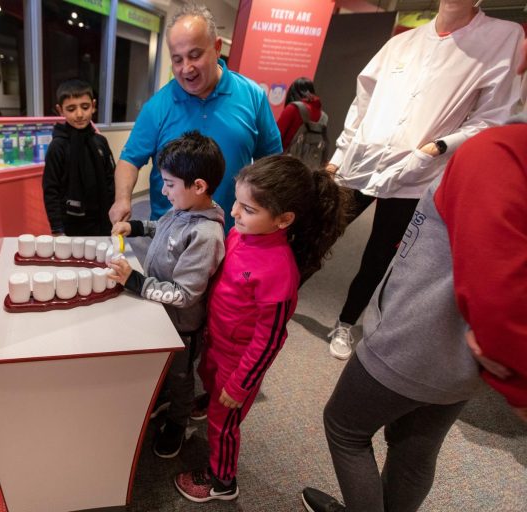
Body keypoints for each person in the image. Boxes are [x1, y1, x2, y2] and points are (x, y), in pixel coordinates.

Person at [301, 38, 527, 512]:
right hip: (458, 366)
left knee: (344, 427)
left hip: (414, 342)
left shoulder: (499, 152)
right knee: (415, 450)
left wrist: (519, 387)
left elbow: (496, 294)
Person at [323, 0, 523, 360]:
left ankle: (345, 322)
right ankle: (275, 303)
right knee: (318, 230)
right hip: (363, 161)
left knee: (381, 254)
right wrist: (339, 157)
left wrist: (436, 148)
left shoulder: (502, 37)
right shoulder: (404, 42)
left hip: (417, 172)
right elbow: (363, 101)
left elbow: (495, 115)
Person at [173, 156, 348, 502]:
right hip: (217, 343)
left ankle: (222, 480)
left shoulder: (279, 273)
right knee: (208, 381)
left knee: (223, 426)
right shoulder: (240, 234)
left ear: (283, 220)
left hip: (239, 364)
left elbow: (270, 340)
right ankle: (211, 396)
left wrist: (240, 385)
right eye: (236, 201)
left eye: (248, 208)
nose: (235, 212)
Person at [108, 2, 281, 233]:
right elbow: (130, 159)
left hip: (232, 232)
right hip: (169, 235)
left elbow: (272, 162)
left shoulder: (253, 97)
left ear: (217, 47)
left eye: (195, 55)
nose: (186, 68)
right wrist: (122, 199)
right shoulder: (158, 105)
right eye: (177, 59)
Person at [107, 131, 226, 459]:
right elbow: (164, 227)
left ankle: (178, 419)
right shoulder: (181, 210)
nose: (163, 191)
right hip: (161, 310)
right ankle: (164, 399)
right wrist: (139, 228)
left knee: (181, 376)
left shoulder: (205, 234)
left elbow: (186, 295)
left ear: (198, 186)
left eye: (170, 184)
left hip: (182, 326)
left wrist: (136, 283)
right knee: (163, 367)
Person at [42, 79, 115, 236]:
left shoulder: (100, 142)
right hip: (70, 223)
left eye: (85, 107)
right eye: (71, 109)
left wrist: (114, 215)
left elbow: (110, 181)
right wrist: (56, 228)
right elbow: (51, 190)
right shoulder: (57, 147)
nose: (79, 114)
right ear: (60, 110)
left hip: (101, 219)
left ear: (93, 106)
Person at [276, 77, 326, 152]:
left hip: (285, 159)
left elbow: (276, 137)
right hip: (309, 161)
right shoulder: (323, 116)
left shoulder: (293, 108)